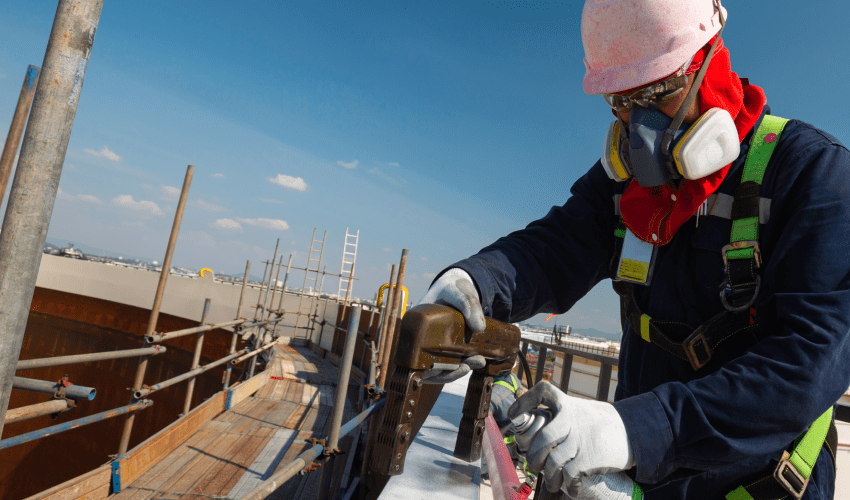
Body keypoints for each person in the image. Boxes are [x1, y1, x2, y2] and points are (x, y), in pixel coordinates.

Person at [418, 1, 850, 499]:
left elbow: (805, 364)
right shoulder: (628, 188)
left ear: (712, 61)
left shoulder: (812, 176)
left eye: (657, 93)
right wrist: (474, 284)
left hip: (760, 485)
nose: (638, 125)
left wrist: (631, 430)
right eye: (621, 102)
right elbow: (553, 248)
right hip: (647, 477)